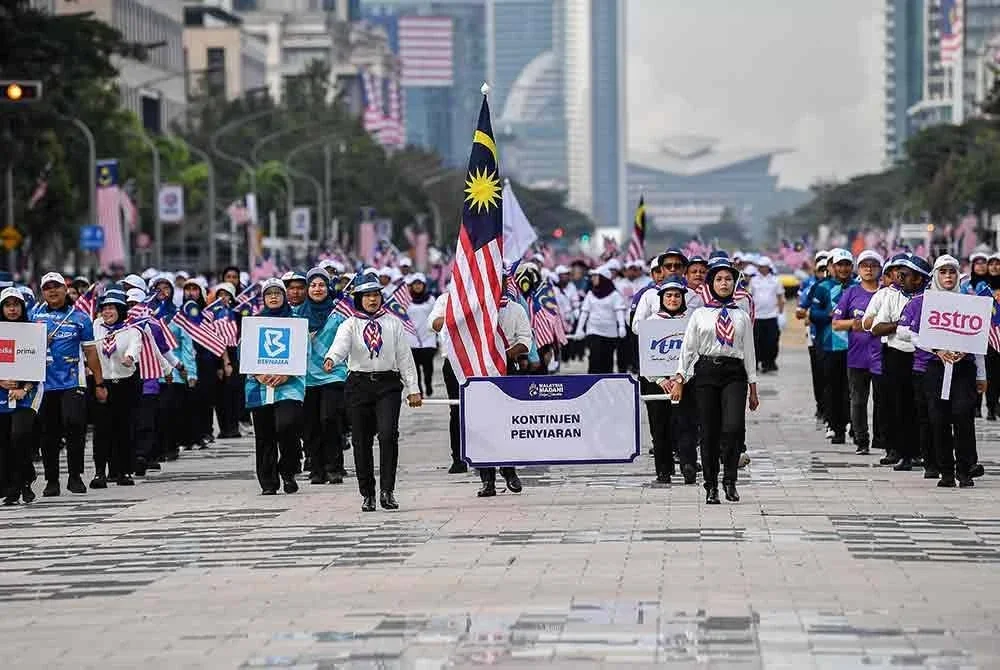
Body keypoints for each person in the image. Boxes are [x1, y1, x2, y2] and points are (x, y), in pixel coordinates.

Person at [324, 274, 421, 511]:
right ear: (358, 298)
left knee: (388, 435)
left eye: (376, 294)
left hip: (387, 384)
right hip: (358, 385)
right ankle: (367, 493)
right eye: (367, 295)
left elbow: (404, 357)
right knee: (361, 441)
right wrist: (332, 358)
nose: (372, 300)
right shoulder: (350, 324)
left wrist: (413, 388)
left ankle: (387, 491)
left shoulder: (393, 323)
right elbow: (340, 345)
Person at [672, 257, 759, 504]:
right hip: (707, 372)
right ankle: (711, 485)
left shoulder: (740, 314)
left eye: (728, 279)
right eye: (719, 279)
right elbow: (688, 349)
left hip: (734, 374)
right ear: (710, 284)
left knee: (733, 428)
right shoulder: (699, 314)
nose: (724, 283)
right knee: (708, 432)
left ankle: (730, 479)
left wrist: (753, 387)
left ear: (734, 284)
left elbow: (749, 351)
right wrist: (680, 377)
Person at [898, 255, 985, 488]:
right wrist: (936, 348)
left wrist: (981, 375)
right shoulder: (923, 301)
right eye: (943, 272)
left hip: (963, 368)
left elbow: (979, 342)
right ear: (936, 275)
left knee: (963, 416)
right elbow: (905, 331)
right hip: (934, 367)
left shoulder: (970, 302)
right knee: (939, 419)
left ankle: (964, 469)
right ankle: (945, 470)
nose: (948, 277)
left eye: (952, 272)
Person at [32, 272, 106, 496]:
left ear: (65, 289)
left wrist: (100, 382)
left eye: (57, 287)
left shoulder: (80, 318)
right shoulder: (32, 316)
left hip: (73, 381)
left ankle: (75, 476)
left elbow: (91, 352)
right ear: (42, 292)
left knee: (75, 424)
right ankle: (52, 480)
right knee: (48, 432)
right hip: (43, 385)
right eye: (47, 288)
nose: (52, 291)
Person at [871, 255, 931, 471]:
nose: (899, 277)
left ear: (919, 279)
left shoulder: (931, 299)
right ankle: (904, 453)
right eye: (899, 273)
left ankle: (923, 453)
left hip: (922, 356)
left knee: (922, 408)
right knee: (900, 407)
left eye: (905, 274)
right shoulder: (891, 296)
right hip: (896, 356)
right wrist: (902, 324)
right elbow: (876, 328)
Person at [245, 279, 305, 495]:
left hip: (289, 385)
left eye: (277, 293)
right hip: (258, 386)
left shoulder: (296, 321)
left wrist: (286, 373)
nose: (273, 297)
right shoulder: (253, 322)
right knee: (264, 435)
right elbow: (244, 352)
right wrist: (258, 373)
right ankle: (268, 482)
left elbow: (303, 352)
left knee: (287, 426)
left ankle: (288, 469)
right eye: (269, 293)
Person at [642, 277, 698, 485]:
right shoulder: (650, 323)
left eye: (677, 295)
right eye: (669, 295)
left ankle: (688, 466)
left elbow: (695, 354)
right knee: (660, 428)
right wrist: (660, 380)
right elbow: (645, 357)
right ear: (661, 298)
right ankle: (663, 471)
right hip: (656, 384)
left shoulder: (692, 322)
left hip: (685, 383)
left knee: (686, 425)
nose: (673, 299)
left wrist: (680, 380)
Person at [831, 250, 883, 455]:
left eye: (873, 265)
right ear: (858, 269)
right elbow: (836, 323)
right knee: (858, 401)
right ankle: (861, 439)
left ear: (879, 269)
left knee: (882, 401)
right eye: (864, 265)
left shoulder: (887, 292)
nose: (868, 269)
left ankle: (883, 439)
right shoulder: (851, 292)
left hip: (882, 356)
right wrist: (857, 324)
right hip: (857, 356)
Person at [300, 267, 348, 485]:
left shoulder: (338, 315)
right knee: (310, 424)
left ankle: (335, 467)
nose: (317, 289)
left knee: (329, 419)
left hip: (333, 374)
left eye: (321, 284)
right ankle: (316, 468)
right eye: (313, 285)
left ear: (328, 288)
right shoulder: (297, 314)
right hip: (306, 377)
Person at [91, 288, 142, 487]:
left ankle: (123, 471)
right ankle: (99, 472)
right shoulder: (96, 327)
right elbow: (89, 348)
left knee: (124, 428)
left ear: (120, 310)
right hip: (101, 383)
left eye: (111, 308)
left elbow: (134, 348)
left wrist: (129, 358)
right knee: (102, 429)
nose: (107, 312)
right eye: (104, 308)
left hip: (126, 384)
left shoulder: (131, 330)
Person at [808, 249, 855, 444]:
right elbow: (813, 315)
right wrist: (831, 315)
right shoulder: (822, 287)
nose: (843, 269)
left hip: (854, 347)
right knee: (832, 387)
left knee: (851, 389)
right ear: (831, 267)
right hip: (829, 346)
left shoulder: (857, 287)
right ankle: (835, 427)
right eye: (839, 265)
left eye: (846, 265)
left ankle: (853, 424)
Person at [0, 287, 41, 504]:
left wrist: (23, 388)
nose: (12, 309)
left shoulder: (32, 330)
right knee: (5, 441)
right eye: (8, 305)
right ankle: (14, 486)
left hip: (27, 392)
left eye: (16, 305)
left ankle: (24, 482)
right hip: (1, 394)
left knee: (19, 435)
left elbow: (39, 364)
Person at [573, 267, 626, 374]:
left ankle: (606, 384)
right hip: (593, 331)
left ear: (603, 278)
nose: (592, 279)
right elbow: (584, 312)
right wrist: (579, 329)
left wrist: (621, 326)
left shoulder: (614, 295)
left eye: (595, 276)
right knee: (594, 358)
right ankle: (591, 383)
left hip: (610, 333)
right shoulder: (590, 294)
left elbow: (619, 311)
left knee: (607, 361)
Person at [404, 273, 438, 397]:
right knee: (415, 369)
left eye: (420, 284)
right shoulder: (406, 300)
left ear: (424, 285)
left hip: (428, 338)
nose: (417, 286)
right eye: (415, 284)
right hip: (412, 339)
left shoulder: (431, 299)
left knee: (428, 367)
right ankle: (419, 391)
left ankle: (428, 384)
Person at [749, 257, 784, 373]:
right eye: (759, 266)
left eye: (763, 266)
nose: (761, 269)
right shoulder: (754, 280)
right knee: (756, 342)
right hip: (757, 316)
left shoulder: (776, 280)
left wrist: (781, 313)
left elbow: (780, 297)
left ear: (768, 267)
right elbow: (749, 297)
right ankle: (755, 363)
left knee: (771, 341)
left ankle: (768, 363)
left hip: (771, 316)